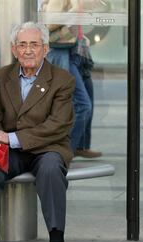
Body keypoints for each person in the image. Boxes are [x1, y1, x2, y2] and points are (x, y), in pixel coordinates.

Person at [0, 22, 75, 242]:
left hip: (48, 147)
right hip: (11, 151)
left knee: (50, 169)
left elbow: (58, 126)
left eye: (34, 44)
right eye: (22, 45)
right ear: (14, 49)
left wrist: (11, 137)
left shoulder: (62, 80)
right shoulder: (1, 76)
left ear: (46, 49)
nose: (28, 50)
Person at [43, 0, 101, 158]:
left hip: (78, 52)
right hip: (63, 53)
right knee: (83, 104)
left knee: (89, 99)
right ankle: (66, 149)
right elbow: (50, 23)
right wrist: (75, 9)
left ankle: (81, 145)